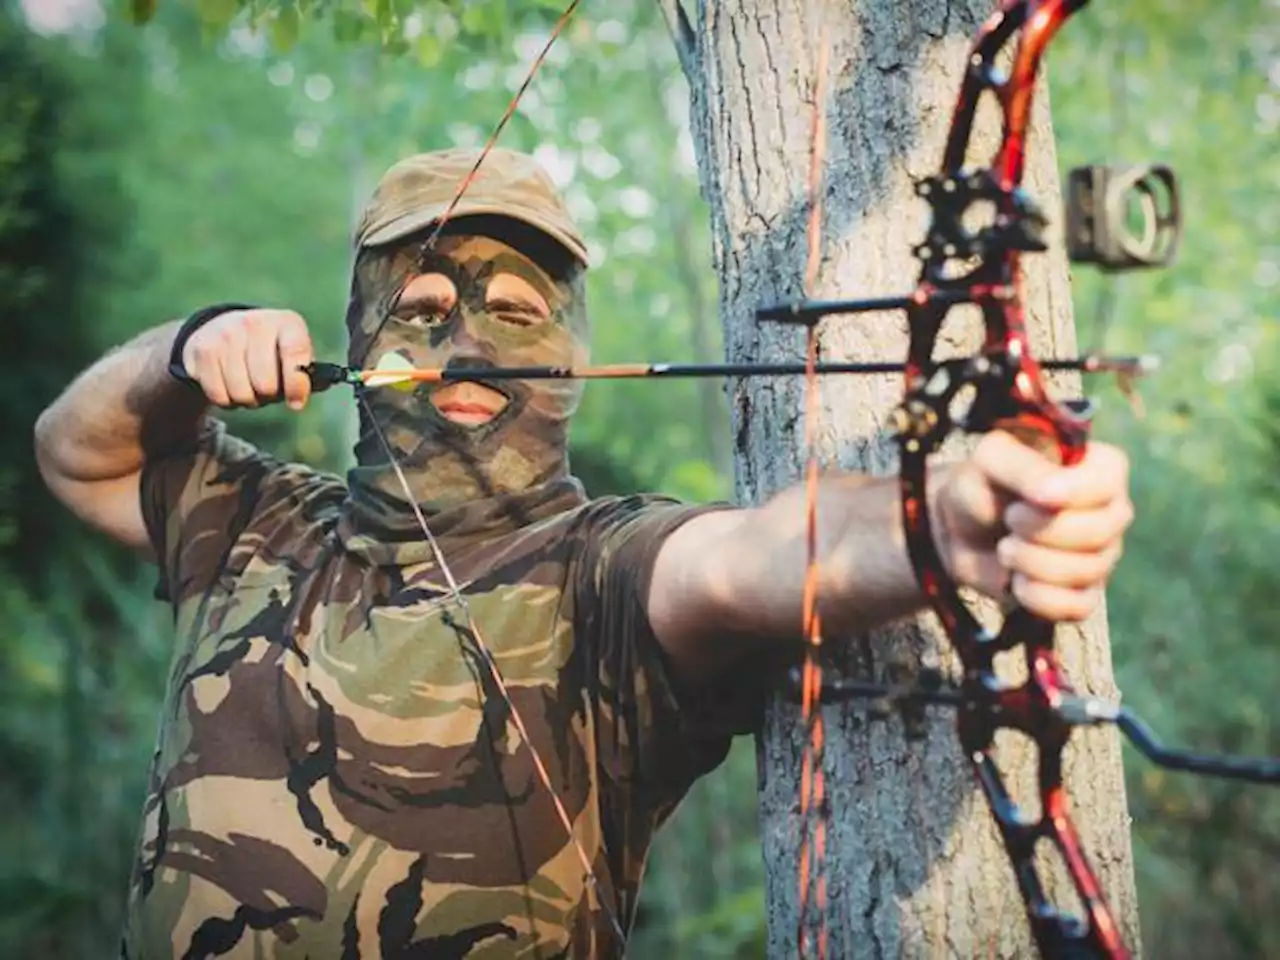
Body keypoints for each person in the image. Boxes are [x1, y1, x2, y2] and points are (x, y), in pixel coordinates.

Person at [34, 148, 1134, 959]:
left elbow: (756, 554)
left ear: (569, 352)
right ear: (359, 343)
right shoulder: (255, 523)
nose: (467, 339)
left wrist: (943, 518)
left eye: (517, 313)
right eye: (420, 309)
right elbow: (75, 453)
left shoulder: (597, 568)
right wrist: (184, 351)